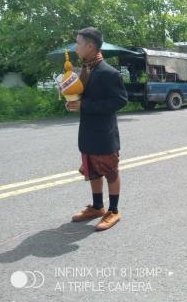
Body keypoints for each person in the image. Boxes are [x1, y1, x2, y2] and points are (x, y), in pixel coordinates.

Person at [67, 27, 128, 231]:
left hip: (104, 133)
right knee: (93, 171)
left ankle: (114, 210)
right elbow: (84, 96)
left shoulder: (108, 73)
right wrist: (73, 100)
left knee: (110, 172)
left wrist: (86, 106)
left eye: (79, 43)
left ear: (90, 46)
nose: (76, 48)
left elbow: (120, 101)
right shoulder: (85, 70)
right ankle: (97, 207)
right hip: (88, 132)